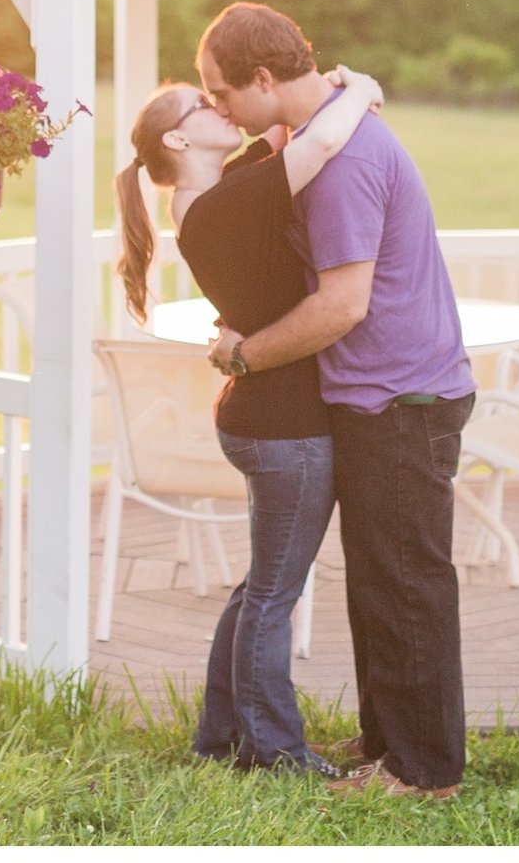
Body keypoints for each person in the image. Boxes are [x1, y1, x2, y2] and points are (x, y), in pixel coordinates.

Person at [196, 2, 476, 801]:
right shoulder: (315, 133)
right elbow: (293, 138)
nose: (215, 107)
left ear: (262, 77)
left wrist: (245, 355)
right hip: (378, 397)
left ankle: (423, 773)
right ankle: (390, 738)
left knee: (405, 584)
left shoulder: (344, 164)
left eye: (221, 91)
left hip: (403, 401)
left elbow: (341, 307)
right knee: (377, 583)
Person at [113, 63, 385, 777]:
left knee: (260, 585)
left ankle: (222, 733)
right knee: (272, 594)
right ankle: (275, 751)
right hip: (283, 428)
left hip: (265, 419)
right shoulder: (220, 207)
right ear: (179, 136)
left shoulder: (217, 193)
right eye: (204, 103)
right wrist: (359, 91)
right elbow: (318, 146)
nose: (219, 105)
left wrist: (306, 83)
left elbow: (279, 126)